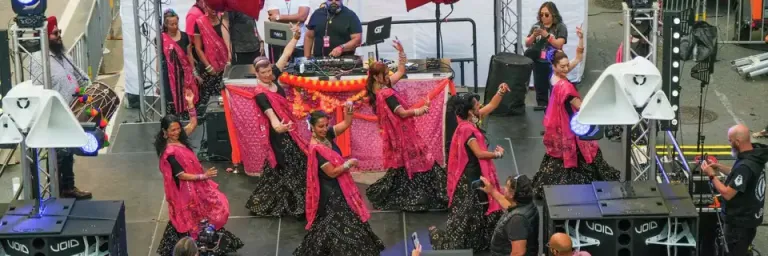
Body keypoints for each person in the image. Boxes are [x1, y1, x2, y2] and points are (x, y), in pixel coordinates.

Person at [531, 26, 620, 199]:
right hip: (570, 121)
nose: (566, 69)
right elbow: (579, 106)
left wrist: (580, 39)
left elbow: (578, 58)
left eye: (566, 66)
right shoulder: (564, 86)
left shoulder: (556, 76)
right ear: (555, 66)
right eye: (563, 67)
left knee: (560, 155)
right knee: (582, 150)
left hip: (562, 121)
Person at [154, 90, 244, 255]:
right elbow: (180, 175)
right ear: (165, 132)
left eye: (177, 129)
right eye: (172, 130)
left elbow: (193, 123)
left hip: (196, 185)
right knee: (194, 215)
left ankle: (202, 241)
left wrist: (190, 104)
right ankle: (193, 246)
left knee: (211, 207)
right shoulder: (170, 152)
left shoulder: (179, 139)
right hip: (186, 189)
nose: (176, 132)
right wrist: (203, 176)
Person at [363, 40, 447, 211]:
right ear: (376, 76)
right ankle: (419, 195)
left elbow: (401, 70)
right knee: (421, 158)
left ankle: (395, 193)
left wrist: (401, 52)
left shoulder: (381, 87)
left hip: (396, 133)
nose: (389, 75)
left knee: (403, 163)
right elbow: (401, 113)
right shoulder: (385, 92)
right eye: (385, 73)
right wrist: (420, 111)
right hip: (402, 133)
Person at [294, 110, 385, 255]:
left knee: (346, 216)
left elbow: (346, 123)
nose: (324, 129)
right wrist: (348, 164)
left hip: (340, 185)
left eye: (326, 125)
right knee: (334, 219)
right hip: (330, 190)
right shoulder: (316, 148)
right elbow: (331, 173)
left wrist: (349, 111)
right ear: (312, 127)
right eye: (320, 126)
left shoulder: (326, 135)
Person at [244, 24, 311, 217]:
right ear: (256, 74)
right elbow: (270, 116)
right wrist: (279, 126)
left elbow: (286, 55)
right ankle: (298, 207)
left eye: (269, 72)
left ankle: (277, 202)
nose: (267, 75)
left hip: (289, 129)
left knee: (283, 167)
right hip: (279, 134)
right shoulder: (260, 94)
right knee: (289, 165)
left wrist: (296, 36)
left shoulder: (273, 77)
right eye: (263, 73)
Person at [429, 93, 506, 252]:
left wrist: (500, 92)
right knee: (473, 209)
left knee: (479, 207)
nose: (480, 107)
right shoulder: (466, 129)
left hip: (473, 173)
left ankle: (479, 239)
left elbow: (491, 106)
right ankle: (471, 241)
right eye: (477, 105)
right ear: (470, 111)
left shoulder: (469, 121)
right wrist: (497, 154)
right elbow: (479, 154)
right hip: (472, 176)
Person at [30, 16, 92, 200]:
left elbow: (78, 78)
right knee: (57, 155)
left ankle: (68, 187)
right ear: (45, 36)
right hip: (54, 115)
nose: (59, 36)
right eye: (55, 33)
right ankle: (56, 190)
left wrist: (84, 91)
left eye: (59, 32)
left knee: (68, 154)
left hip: (71, 112)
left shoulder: (64, 55)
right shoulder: (39, 59)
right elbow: (39, 87)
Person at [701, 124, 767, 256]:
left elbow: (727, 194)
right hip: (750, 219)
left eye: (730, 141)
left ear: (737, 142)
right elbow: (738, 175)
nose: (729, 144)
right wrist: (719, 167)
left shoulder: (745, 166)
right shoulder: (754, 156)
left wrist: (711, 175)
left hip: (739, 224)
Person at [479, 175, 539, 256]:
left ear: (512, 194)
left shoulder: (517, 220)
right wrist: (492, 191)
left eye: (507, 187)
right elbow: (507, 204)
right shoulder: (527, 204)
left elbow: (518, 252)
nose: (504, 188)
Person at [525, 2, 567, 111]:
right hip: (538, 62)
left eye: (546, 15)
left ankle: (557, 113)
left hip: (553, 64)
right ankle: (543, 114)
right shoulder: (536, 26)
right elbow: (527, 43)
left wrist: (547, 36)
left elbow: (559, 44)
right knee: (540, 91)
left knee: (555, 89)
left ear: (553, 15)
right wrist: (533, 36)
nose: (543, 17)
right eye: (541, 14)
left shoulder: (560, 27)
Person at [161, 9, 198, 119]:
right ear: (166, 25)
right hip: (169, 76)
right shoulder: (161, 39)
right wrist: (159, 81)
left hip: (185, 75)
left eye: (176, 23)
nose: (175, 26)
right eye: (171, 24)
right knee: (172, 100)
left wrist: (194, 72)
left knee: (187, 98)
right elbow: (159, 59)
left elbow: (189, 55)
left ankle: (188, 122)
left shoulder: (185, 36)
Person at [193, 4, 231, 107]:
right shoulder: (199, 23)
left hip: (227, 64)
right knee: (212, 101)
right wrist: (208, 66)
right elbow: (198, 48)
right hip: (210, 67)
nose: (214, 9)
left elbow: (231, 41)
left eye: (216, 6)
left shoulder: (225, 19)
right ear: (205, 7)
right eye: (211, 7)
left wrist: (229, 60)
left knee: (228, 97)